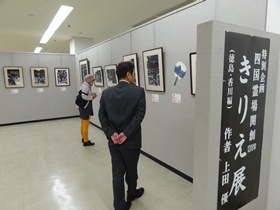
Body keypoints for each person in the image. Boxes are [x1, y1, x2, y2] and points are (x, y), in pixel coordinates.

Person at [98, 61, 146, 210]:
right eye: (134, 74)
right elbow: (139, 116)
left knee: (117, 173)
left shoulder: (106, 93)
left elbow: (102, 116)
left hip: (114, 142)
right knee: (131, 170)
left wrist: (112, 134)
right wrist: (126, 134)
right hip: (131, 142)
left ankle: (119, 206)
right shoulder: (138, 91)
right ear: (128, 74)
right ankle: (131, 193)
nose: (134, 77)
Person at [79, 74, 97, 147]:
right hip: (86, 108)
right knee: (85, 125)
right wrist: (92, 97)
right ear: (90, 81)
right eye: (93, 81)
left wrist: (91, 95)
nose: (93, 82)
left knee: (83, 124)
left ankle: (83, 138)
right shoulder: (86, 87)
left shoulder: (84, 86)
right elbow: (84, 96)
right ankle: (86, 141)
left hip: (82, 108)